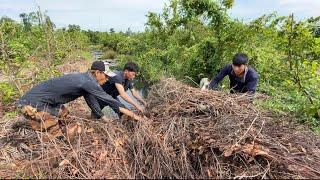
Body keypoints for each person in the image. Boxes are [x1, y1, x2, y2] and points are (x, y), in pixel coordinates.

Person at [17, 61, 141, 139]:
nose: (108, 79)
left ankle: (52, 130)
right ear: (97, 73)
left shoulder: (85, 79)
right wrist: (134, 115)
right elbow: (110, 100)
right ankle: (54, 145)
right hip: (31, 104)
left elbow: (91, 100)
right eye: (106, 75)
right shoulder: (88, 82)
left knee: (64, 114)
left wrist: (102, 117)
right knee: (56, 134)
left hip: (46, 102)